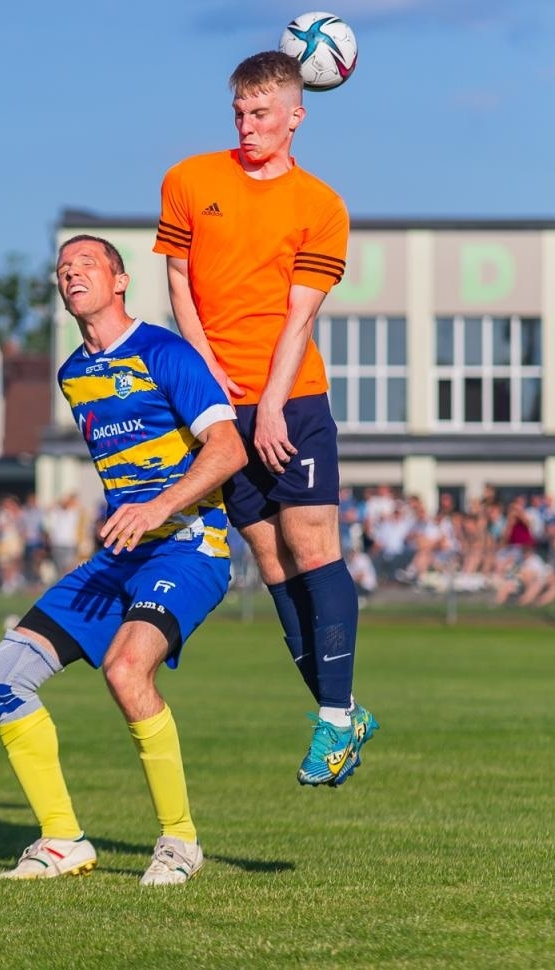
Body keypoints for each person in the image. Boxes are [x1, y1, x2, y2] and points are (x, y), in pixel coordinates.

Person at [0, 235, 244, 885]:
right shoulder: (72, 374)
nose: (71, 273)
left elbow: (229, 448)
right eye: (63, 268)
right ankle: (62, 839)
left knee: (126, 670)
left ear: (120, 282)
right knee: (1, 674)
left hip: (188, 546)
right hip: (123, 554)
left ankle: (179, 843)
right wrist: (133, 517)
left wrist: (157, 508)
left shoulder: (164, 351)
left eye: (86, 264)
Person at [154, 48, 377, 786]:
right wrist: (205, 368)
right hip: (217, 402)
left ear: (295, 116)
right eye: (239, 114)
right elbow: (180, 282)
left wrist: (273, 404)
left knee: (312, 548)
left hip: (293, 398)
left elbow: (299, 318)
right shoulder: (190, 180)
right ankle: (342, 712)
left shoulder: (321, 204)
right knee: (270, 558)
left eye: (261, 114)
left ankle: (334, 723)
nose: (248, 126)